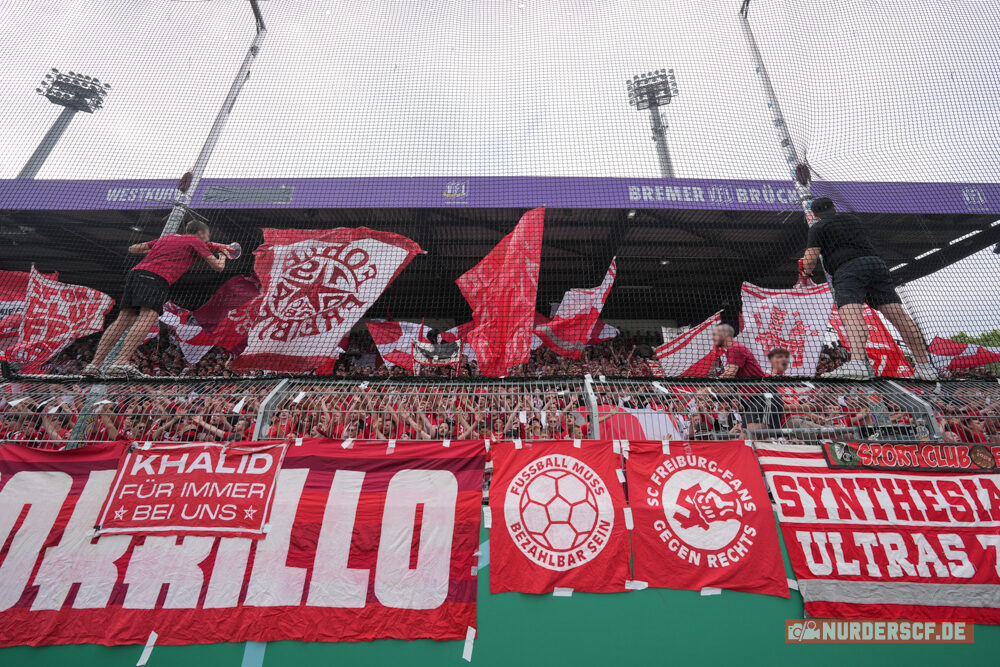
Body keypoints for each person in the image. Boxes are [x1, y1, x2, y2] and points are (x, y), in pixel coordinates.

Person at [799, 197, 936, 381]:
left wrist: (806, 275)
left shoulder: (818, 227)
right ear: (834, 208)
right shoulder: (853, 219)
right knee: (898, 315)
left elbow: (809, 259)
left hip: (847, 269)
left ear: (815, 214)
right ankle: (924, 366)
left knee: (850, 314)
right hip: (875, 264)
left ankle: (857, 363)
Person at [83, 220, 230, 378]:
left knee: (123, 320)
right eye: (207, 236)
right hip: (157, 278)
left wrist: (164, 251)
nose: (208, 239)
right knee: (148, 317)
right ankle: (121, 362)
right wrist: (222, 255)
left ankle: (95, 364)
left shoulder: (167, 238)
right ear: (201, 233)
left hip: (136, 275)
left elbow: (133, 248)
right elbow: (218, 267)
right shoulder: (196, 240)